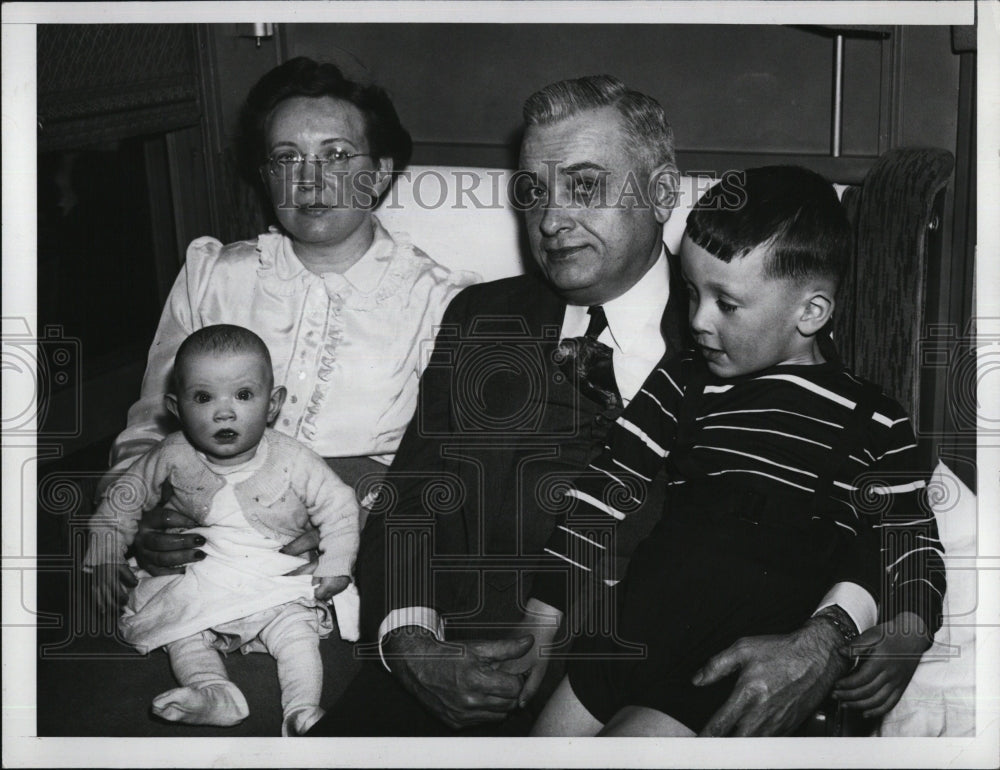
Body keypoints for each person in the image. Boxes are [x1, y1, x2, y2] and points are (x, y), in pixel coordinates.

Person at [307, 77, 894, 737]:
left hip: (654, 687)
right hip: (450, 676)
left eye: (584, 186)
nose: (552, 221)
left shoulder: (747, 329)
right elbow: (411, 500)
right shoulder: (484, 320)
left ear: (662, 193)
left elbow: (867, 512)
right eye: (534, 192)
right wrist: (411, 642)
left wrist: (828, 637)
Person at [525, 166, 945, 736]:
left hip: (731, 659)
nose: (697, 320)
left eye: (728, 304)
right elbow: (604, 490)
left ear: (811, 313)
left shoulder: (875, 419)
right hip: (631, 629)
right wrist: (542, 615)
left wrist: (910, 630)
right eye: (693, 292)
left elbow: (910, 538)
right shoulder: (682, 383)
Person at [104, 57, 476, 566]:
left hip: (364, 553)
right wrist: (139, 514)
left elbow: (459, 471)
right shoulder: (213, 275)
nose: (308, 181)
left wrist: (364, 521)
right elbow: (150, 426)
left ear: (381, 172)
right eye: (285, 159)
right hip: (209, 543)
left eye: (336, 155)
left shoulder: (442, 301)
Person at [84, 325, 361, 735]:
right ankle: (212, 691)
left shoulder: (292, 457)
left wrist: (336, 562)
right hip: (204, 568)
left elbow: (338, 504)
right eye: (203, 397)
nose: (224, 412)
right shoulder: (172, 453)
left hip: (272, 566)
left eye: (244, 395)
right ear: (176, 408)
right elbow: (124, 499)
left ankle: (302, 710)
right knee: (183, 628)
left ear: (273, 404)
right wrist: (105, 553)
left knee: (296, 632)